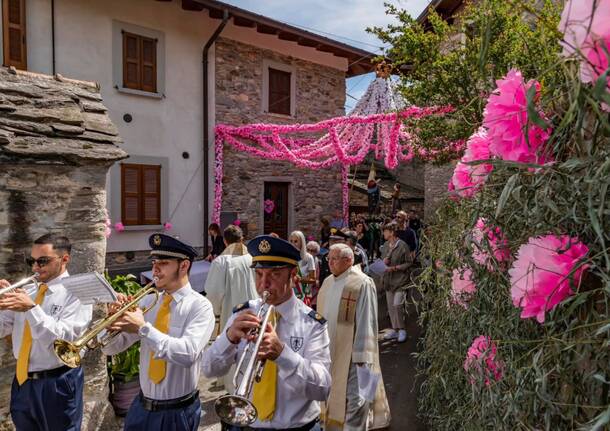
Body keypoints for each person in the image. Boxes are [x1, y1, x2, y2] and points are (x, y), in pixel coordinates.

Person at [202, 235, 331, 431]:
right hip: (245, 424)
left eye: (274, 274)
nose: (263, 285)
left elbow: (322, 389)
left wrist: (283, 355)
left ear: (293, 274)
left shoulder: (312, 323)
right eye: (259, 274)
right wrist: (229, 338)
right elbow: (209, 369)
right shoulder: (242, 313)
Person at [102, 234, 215, 431]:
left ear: (184, 266)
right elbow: (111, 349)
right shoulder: (148, 302)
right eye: (154, 262)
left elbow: (188, 353)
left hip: (178, 411)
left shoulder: (200, 306)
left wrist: (143, 329)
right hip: (140, 406)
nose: (155, 269)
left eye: (163, 263)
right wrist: (111, 323)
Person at [0, 233, 93, 430]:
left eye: (42, 261)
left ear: (64, 259)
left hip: (57, 381)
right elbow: (3, 328)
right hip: (23, 380)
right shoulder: (28, 290)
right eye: (31, 261)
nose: (35, 267)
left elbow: (63, 338)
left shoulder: (77, 293)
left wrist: (31, 309)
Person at [317, 244, 391, 431]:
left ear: (348, 261)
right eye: (329, 258)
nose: (330, 262)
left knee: (355, 400)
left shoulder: (361, 283)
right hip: (329, 353)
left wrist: (363, 357)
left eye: (335, 259)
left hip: (352, 355)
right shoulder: (327, 282)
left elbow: (367, 321)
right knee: (331, 398)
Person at [204, 224, 258, 332]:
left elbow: (214, 292)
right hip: (254, 313)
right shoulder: (252, 258)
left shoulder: (221, 262)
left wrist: (216, 312)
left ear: (225, 241)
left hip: (232, 316)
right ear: (241, 239)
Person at [380, 223, 412, 343]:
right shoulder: (385, 245)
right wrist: (384, 261)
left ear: (392, 232)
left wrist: (396, 267)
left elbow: (409, 262)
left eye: (385, 231)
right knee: (391, 307)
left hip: (401, 280)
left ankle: (402, 329)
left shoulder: (403, 246)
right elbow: (382, 260)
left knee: (397, 305)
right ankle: (394, 329)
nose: (383, 233)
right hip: (388, 281)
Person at [289, 230, 317, 304]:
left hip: (303, 294)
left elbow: (313, 279)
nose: (293, 244)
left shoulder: (308, 258)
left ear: (302, 242)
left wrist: (299, 279)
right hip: (289, 294)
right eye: (291, 241)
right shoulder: (287, 257)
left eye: (296, 241)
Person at [306, 241, 321, 309]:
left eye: (312, 251)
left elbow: (320, 279)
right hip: (302, 292)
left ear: (316, 252)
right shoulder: (301, 261)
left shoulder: (319, 263)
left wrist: (315, 281)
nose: (309, 252)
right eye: (308, 249)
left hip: (314, 294)